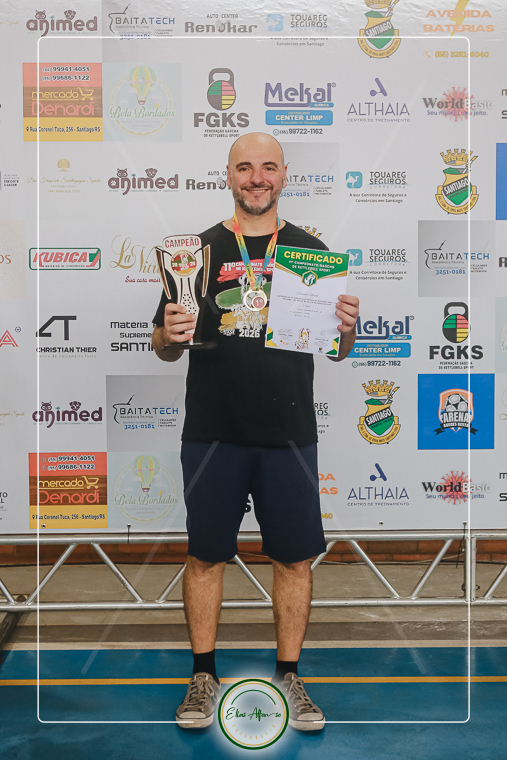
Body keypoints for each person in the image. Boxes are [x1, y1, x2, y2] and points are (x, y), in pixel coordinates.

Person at [152, 132, 359, 731]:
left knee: (294, 560)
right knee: (204, 557)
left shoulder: (310, 252)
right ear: (229, 175)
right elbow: (164, 346)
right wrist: (168, 332)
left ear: (284, 175)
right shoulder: (196, 252)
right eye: (245, 167)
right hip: (212, 430)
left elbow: (337, 349)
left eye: (268, 167)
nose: (257, 178)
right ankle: (203, 677)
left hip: (288, 432)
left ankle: (289, 677)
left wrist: (348, 328)